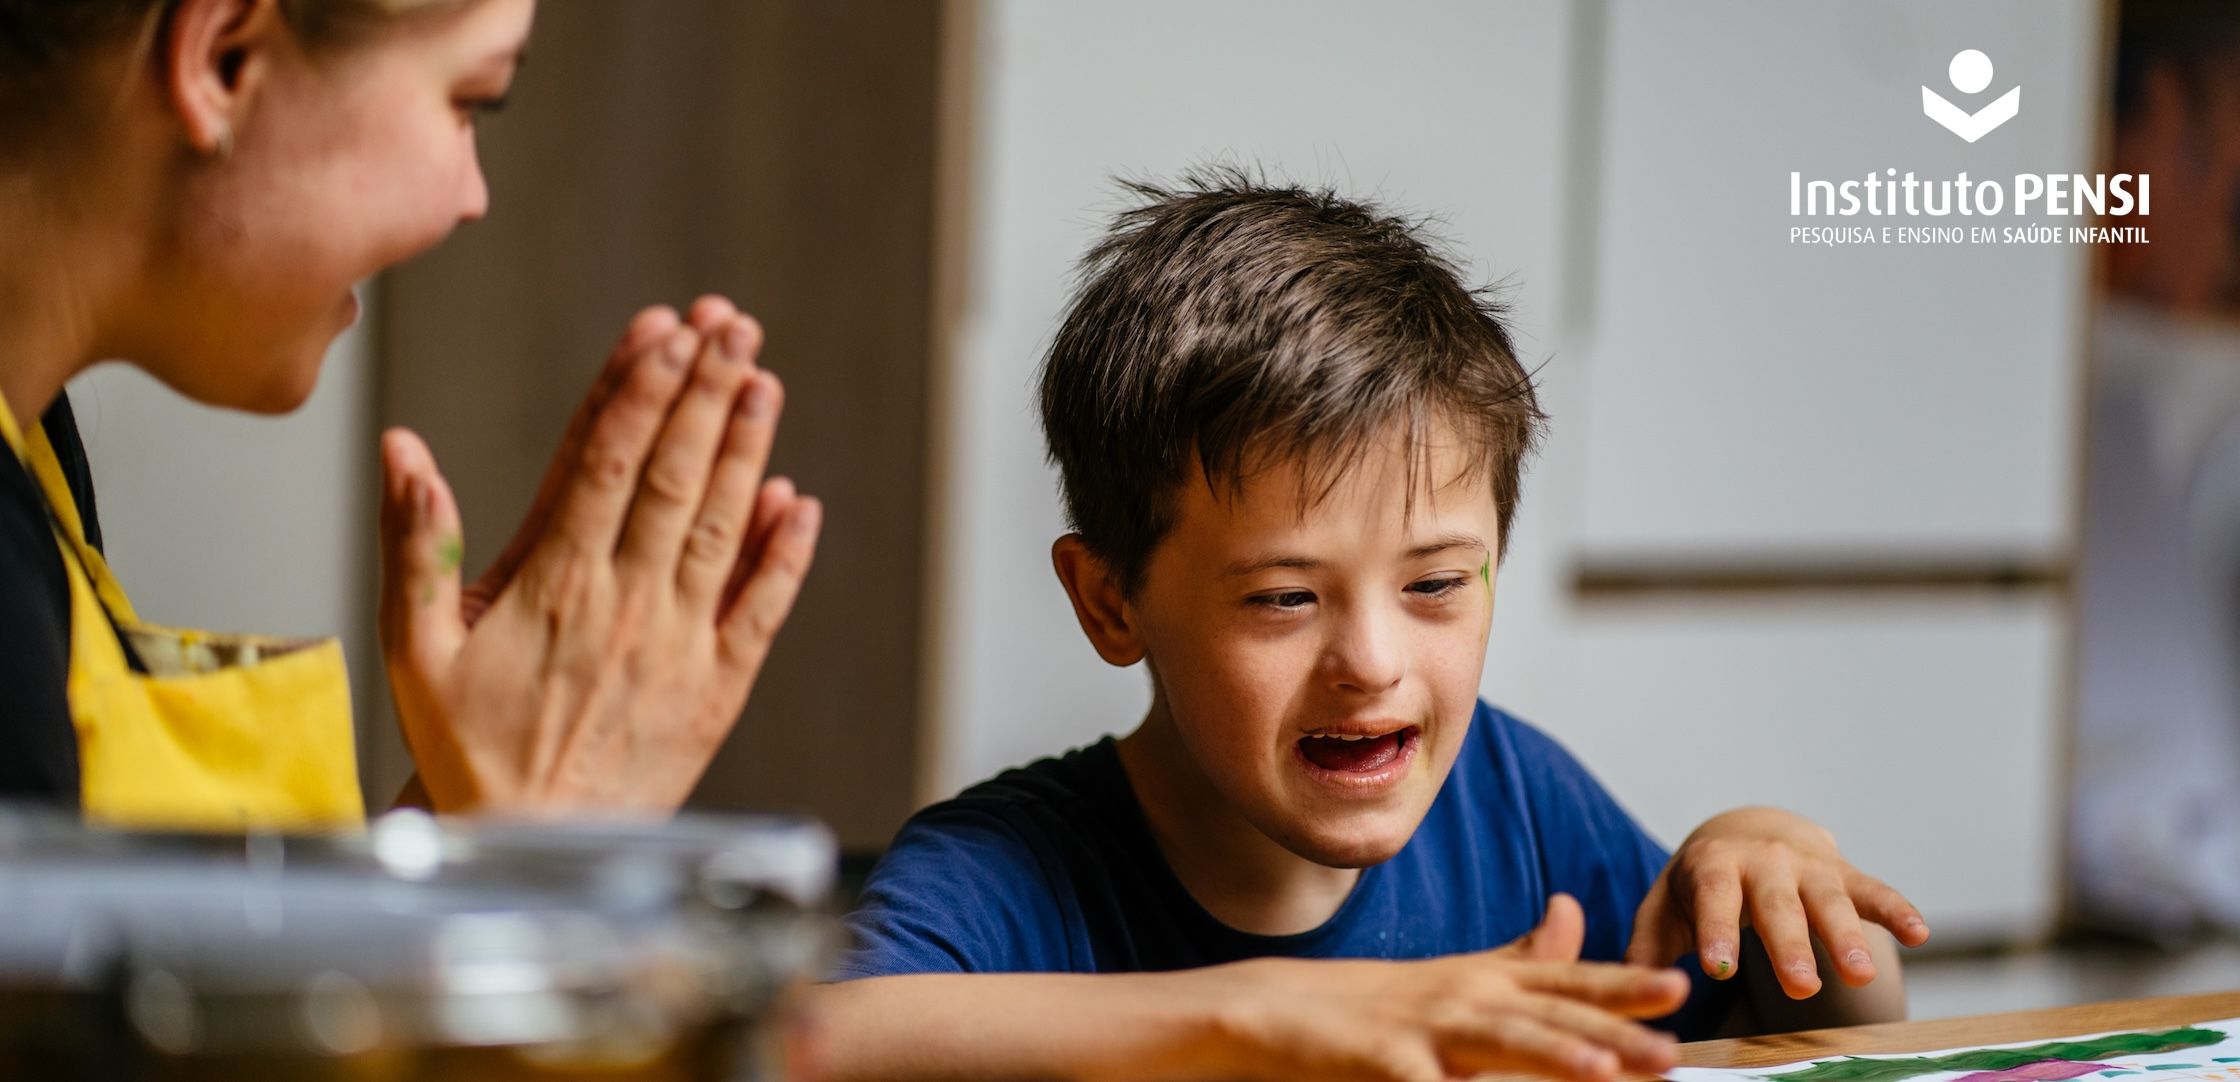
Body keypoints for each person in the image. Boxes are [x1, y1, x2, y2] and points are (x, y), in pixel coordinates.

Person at [813, 174, 1929, 1081]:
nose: (1372, 663)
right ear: (1111, 600)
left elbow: (1824, 1031)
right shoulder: (1000, 870)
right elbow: (805, 1045)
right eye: (1284, 598)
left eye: (1435, 583)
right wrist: (1260, 1012)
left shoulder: (1517, 801)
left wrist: (1780, 869)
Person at [0, 0, 820, 823]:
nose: (474, 195)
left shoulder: (36, 455)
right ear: (225, 60)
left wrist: (459, 806)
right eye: (472, 99)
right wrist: (527, 836)